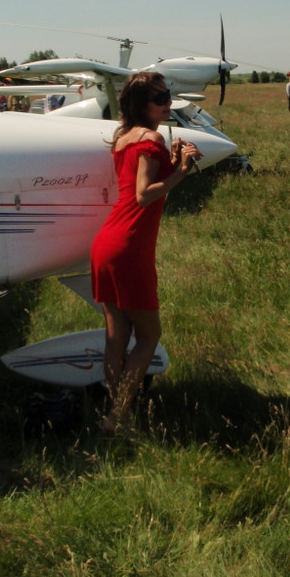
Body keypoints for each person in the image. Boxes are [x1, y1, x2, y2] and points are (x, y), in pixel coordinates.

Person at [90, 72, 202, 434]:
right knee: (149, 336)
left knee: (116, 337)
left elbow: (140, 179)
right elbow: (143, 195)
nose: (168, 104)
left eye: (168, 96)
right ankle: (118, 417)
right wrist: (182, 171)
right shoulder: (151, 139)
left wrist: (171, 158)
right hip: (129, 246)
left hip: (106, 243)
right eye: (160, 99)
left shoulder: (123, 137)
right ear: (141, 105)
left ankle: (113, 410)